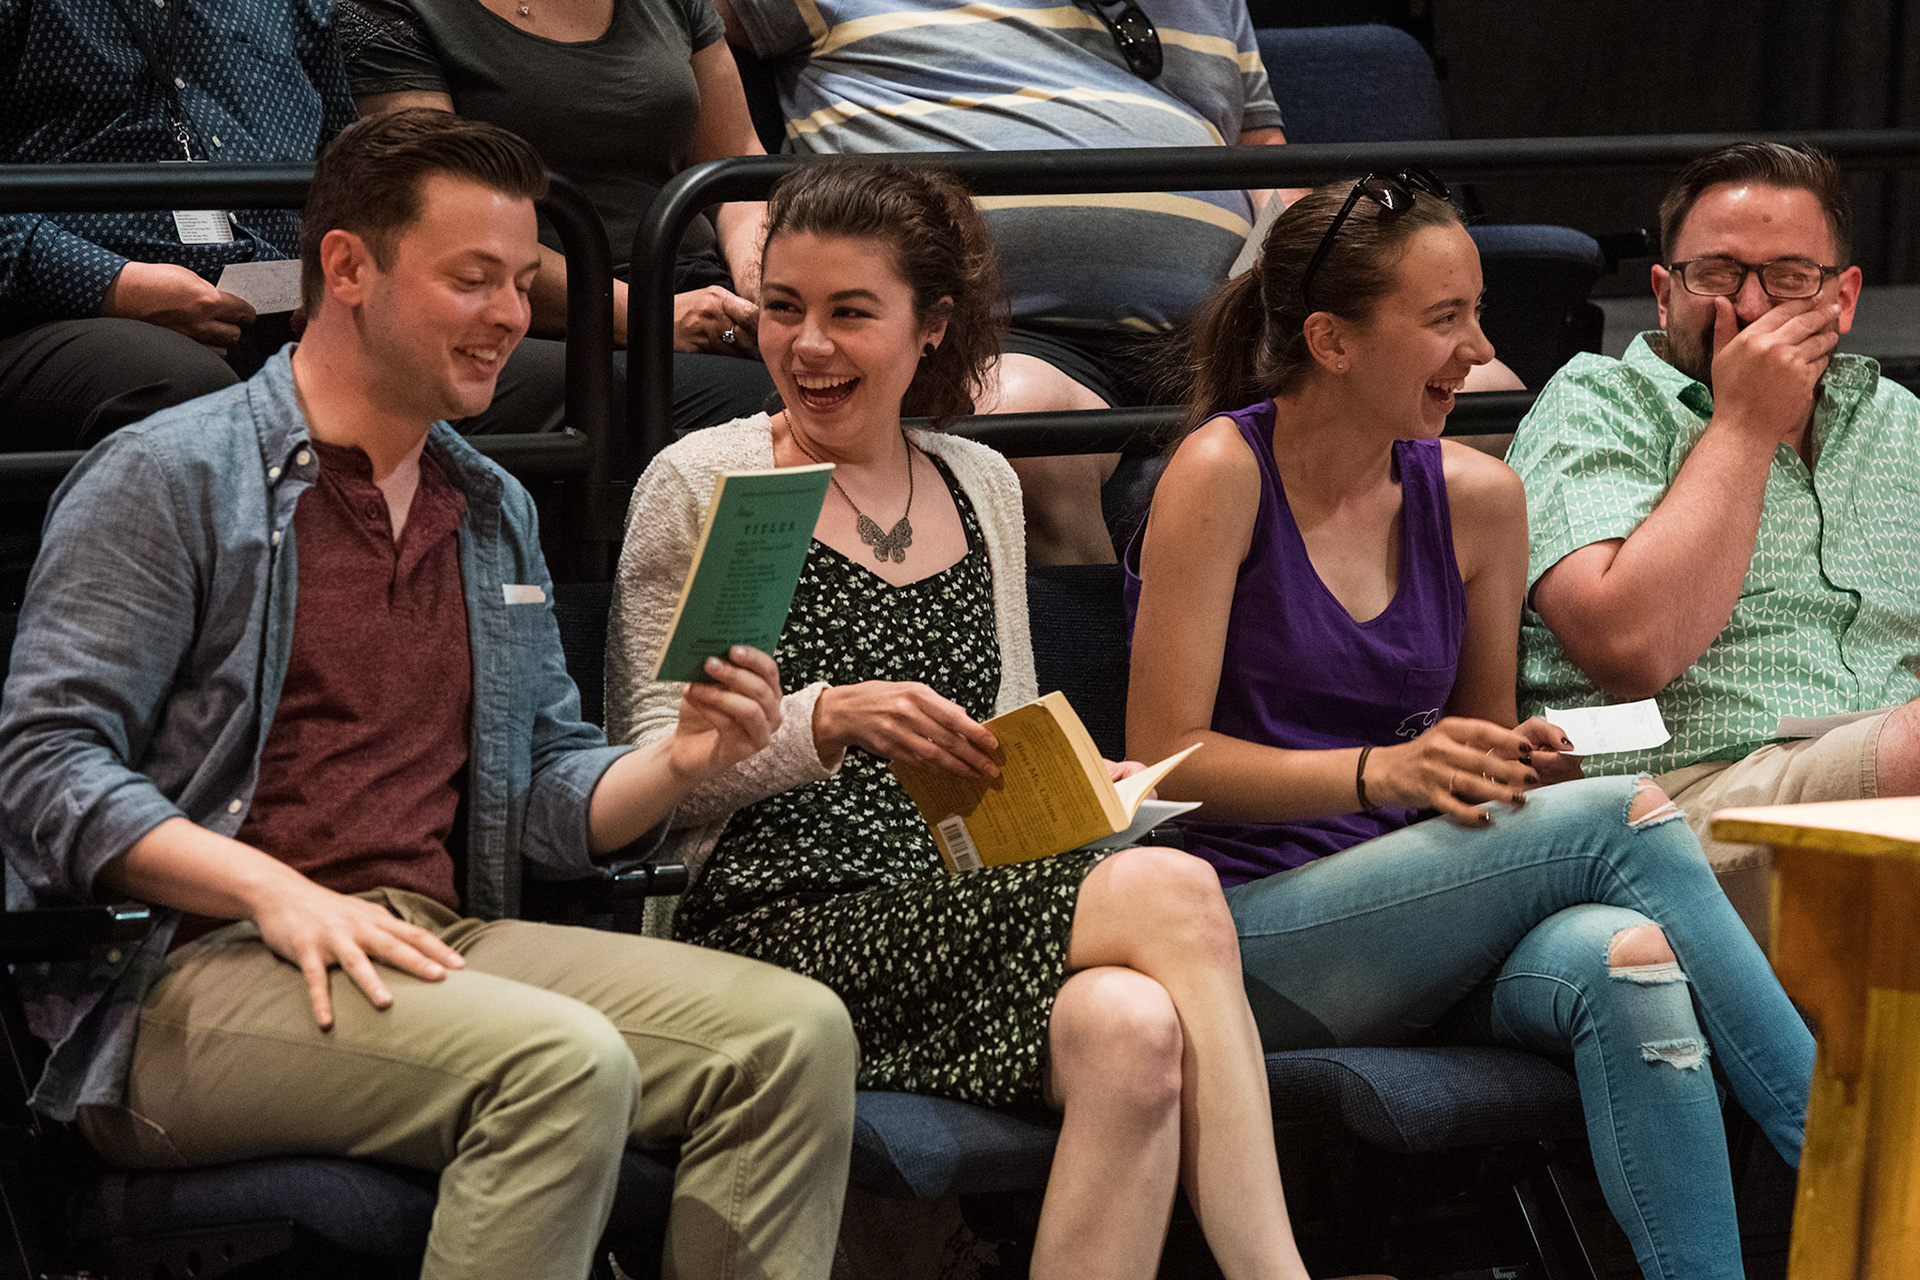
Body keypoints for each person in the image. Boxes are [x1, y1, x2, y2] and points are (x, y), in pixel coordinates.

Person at [0, 110, 856, 1280]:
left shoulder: (488, 503)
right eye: (471, 278)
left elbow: (545, 784)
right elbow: (46, 766)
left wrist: (680, 760)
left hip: (430, 937)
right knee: (561, 1062)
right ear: (348, 267)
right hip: (185, 979)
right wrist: (273, 889)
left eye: (519, 281)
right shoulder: (171, 474)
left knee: (793, 1035)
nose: (508, 313)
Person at [607, 159, 1388, 1280]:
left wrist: (1079, 785)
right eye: (783, 308)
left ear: (930, 326)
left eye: (849, 313)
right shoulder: (706, 477)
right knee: (1175, 889)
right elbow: (650, 771)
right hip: (774, 919)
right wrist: (826, 720)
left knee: (1133, 1030)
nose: (809, 345)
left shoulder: (979, 480)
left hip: (957, 904)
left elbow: (1001, 758)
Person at [1124, 172, 1815, 1280]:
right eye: (1444, 319)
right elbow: (1165, 764)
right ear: (1330, 340)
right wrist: (1384, 770)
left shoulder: (1479, 497)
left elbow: (1474, 756)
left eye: (1477, 312)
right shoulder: (1221, 472)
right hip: (1242, 933)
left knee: (1629, 958)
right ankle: (1861, 1162)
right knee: (1626, 818)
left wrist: (1511, 763)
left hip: (1420, 919)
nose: (1480, 350)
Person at [1507, 141, 1920, 946]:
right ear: (1664, 294)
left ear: (1843, 298)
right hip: (1669, 807)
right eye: (1717, 275)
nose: (1753, 308)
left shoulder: (1896, 420)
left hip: (1886, 783)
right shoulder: (1599, 401)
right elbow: (1629, 648)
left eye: (1789, 277)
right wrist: (1745, 423)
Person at [713, 0, 1296, 564]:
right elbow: (677, 39)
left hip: (1224, 327)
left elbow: (1263, 158)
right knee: (1020, 420)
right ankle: (1098, 630)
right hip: (1010, 334)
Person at [0, 0, 556, 448]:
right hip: (68, 312)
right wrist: (112, 285)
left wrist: (345, 276)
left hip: (289, 308)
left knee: (552, 381)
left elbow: (348, 167)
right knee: (184, 387)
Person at [340, 0, 778, 432]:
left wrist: (764, 288)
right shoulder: (397, 10)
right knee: (769, 405)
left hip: (701, 295)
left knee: (810, 369)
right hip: (536, 320)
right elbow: (442, 219)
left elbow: (737, 167)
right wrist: (650, 317)